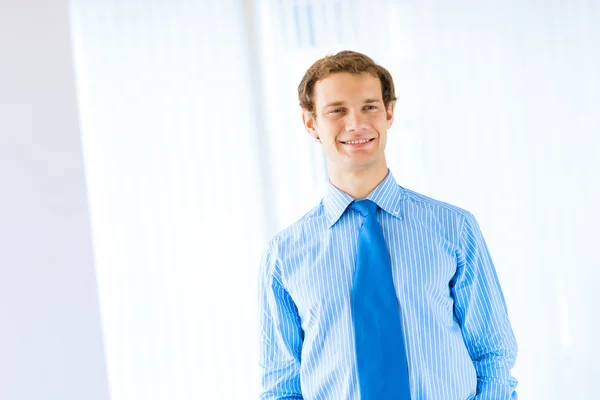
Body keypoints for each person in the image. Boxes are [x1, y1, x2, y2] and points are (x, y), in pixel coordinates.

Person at [258, 50, 518, 400]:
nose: (356, 124)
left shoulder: (454, 228)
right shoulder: (285, 253)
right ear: (310, 122)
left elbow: (494, 357)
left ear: (389, 113)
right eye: (337, 110)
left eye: (369, 107)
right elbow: (281, 387)